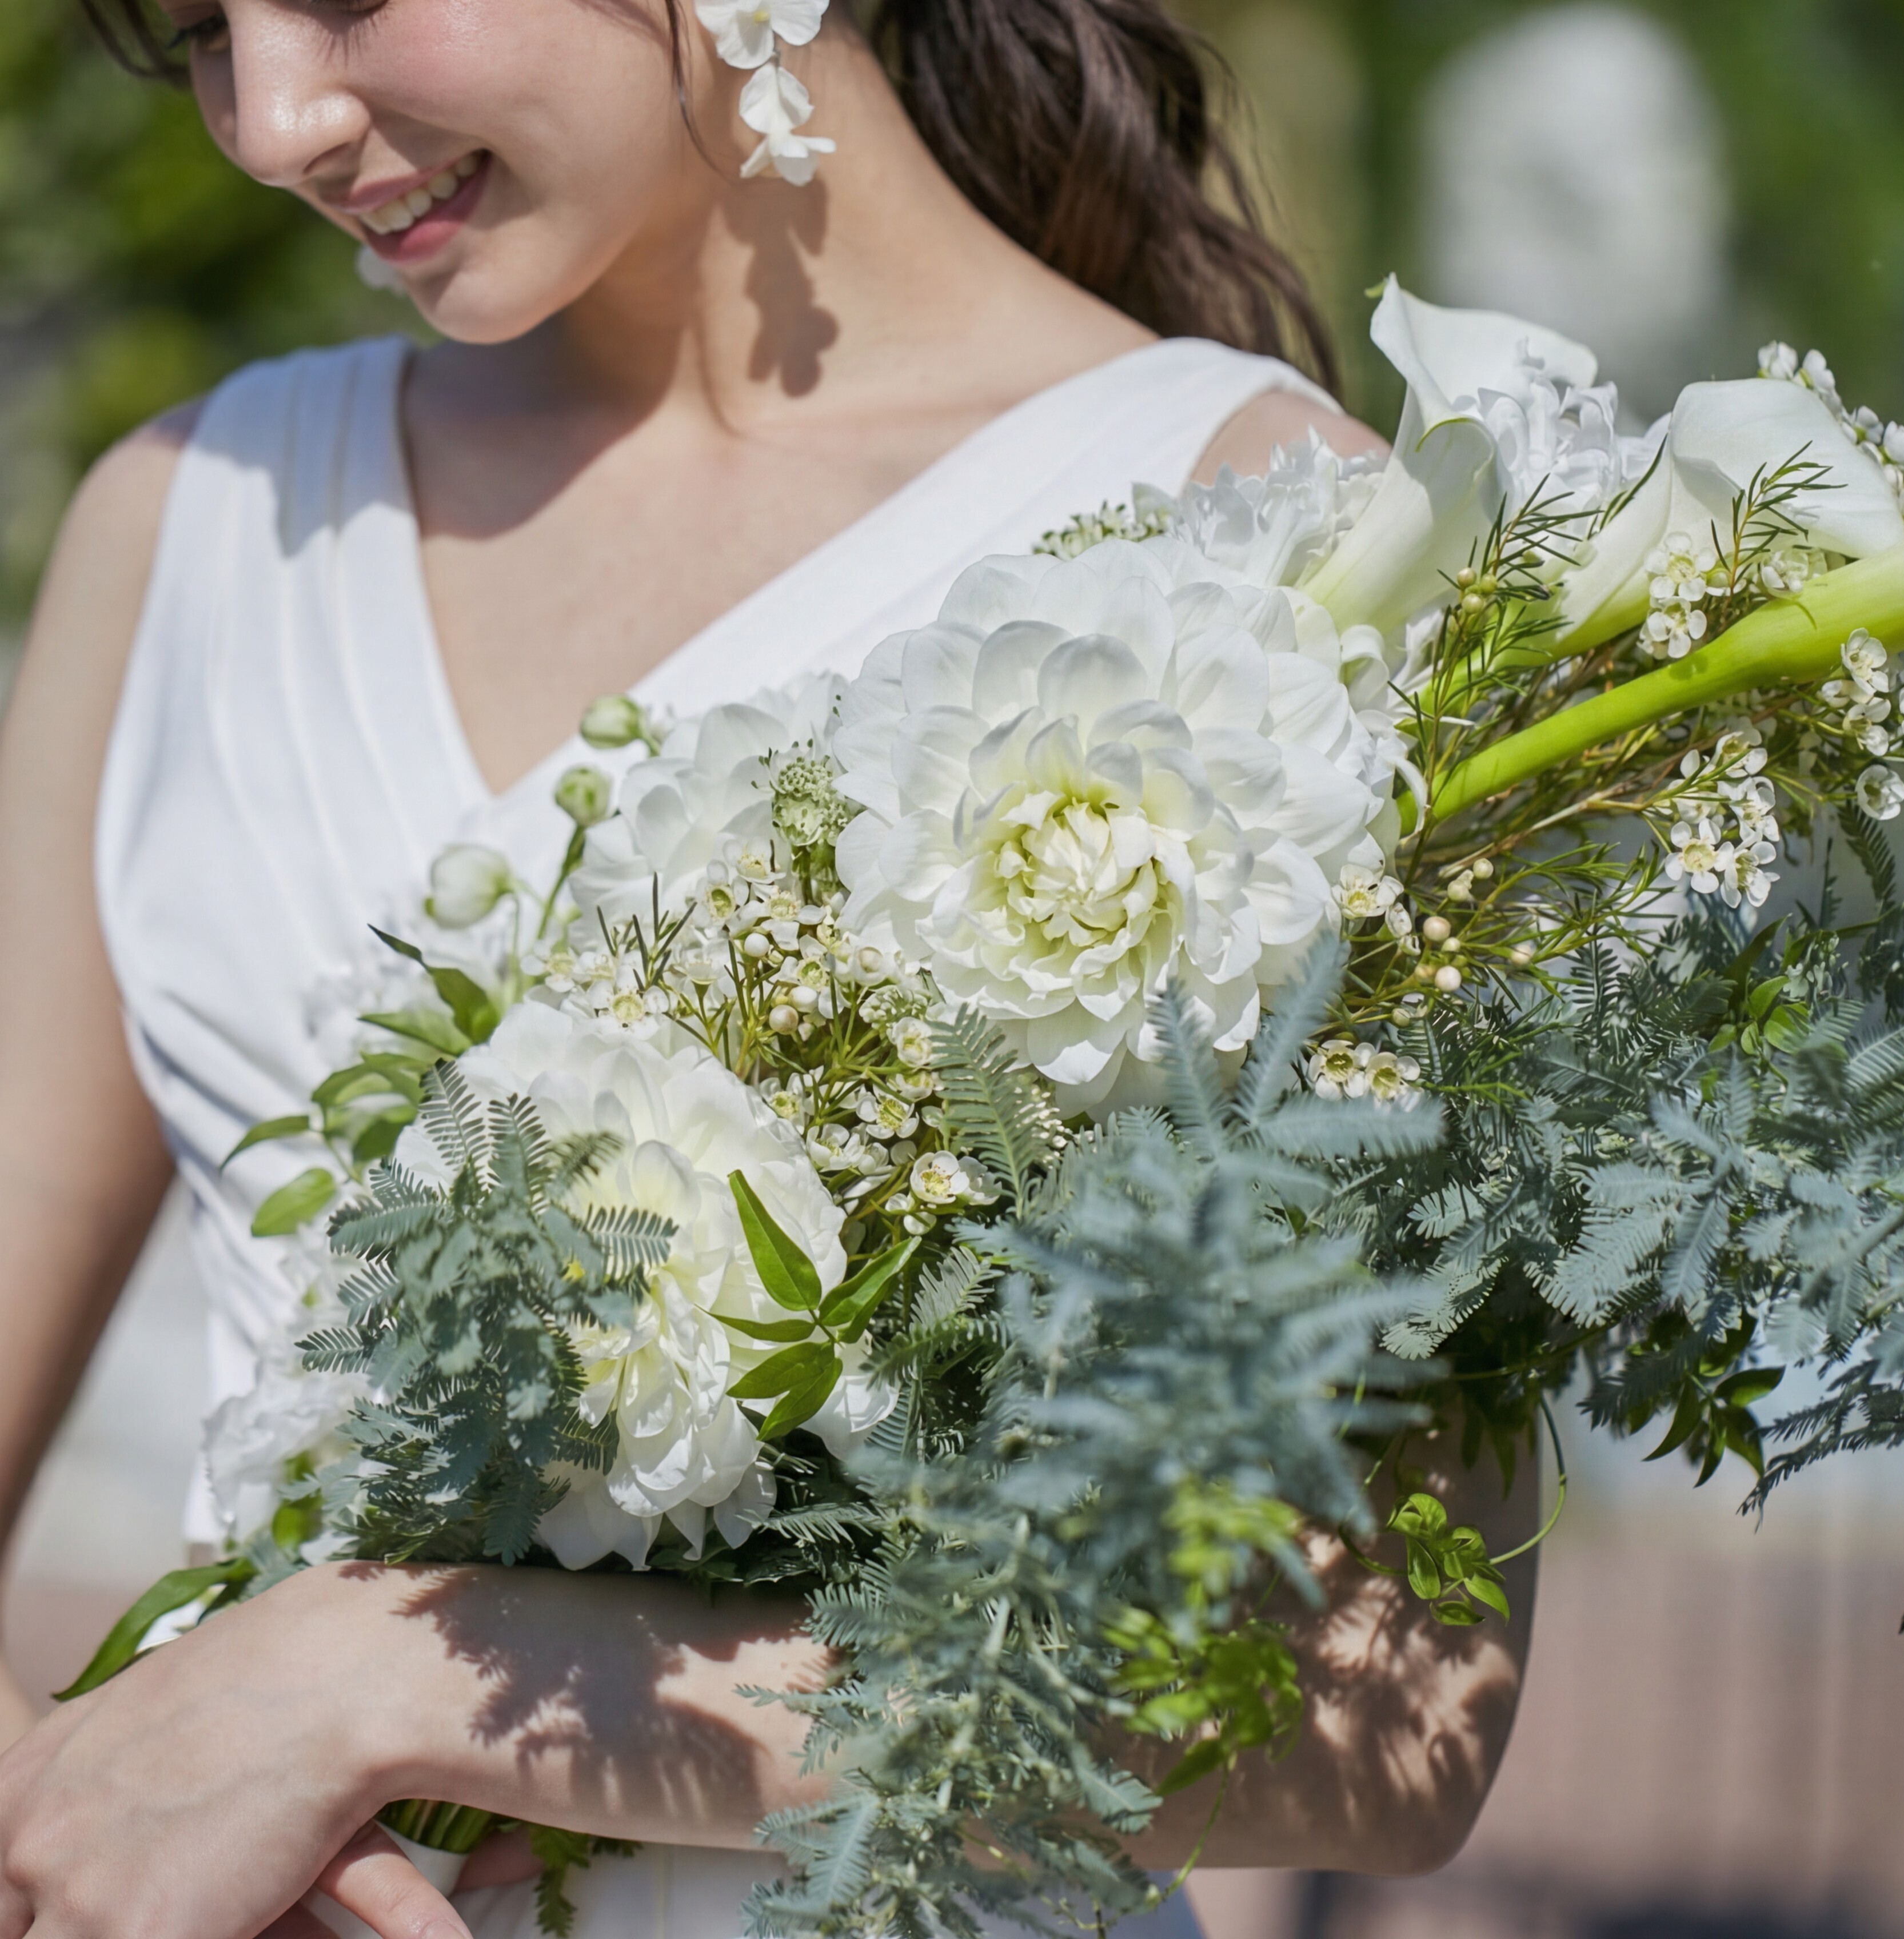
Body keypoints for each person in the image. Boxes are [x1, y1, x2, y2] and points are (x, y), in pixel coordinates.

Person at [0, 3, 1538, 1935]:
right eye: (193, 25)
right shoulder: (193, 528)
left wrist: (370, 1686)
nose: (270, 117)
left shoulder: (1274, 539)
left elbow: (1384, 1721)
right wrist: (82, 1799)